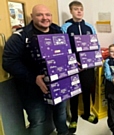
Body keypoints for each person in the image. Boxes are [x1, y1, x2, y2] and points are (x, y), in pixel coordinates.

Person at [2, 4, 70, 135]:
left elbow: (65, 53)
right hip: (31, 88)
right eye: (40, 15)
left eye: (48, 14)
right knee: (37, 119)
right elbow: (9, 62)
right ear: (32, 17)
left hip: (57, 83)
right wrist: (33, 78)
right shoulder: (20, 37)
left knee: (61, 112)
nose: (45, 18)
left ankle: (63, 132)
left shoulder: (59, 31)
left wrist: (72, 63)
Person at [61, 1, 98, 133]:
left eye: (81, 9)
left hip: (88, 67)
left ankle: (87, 114)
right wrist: (73, 62)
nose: (79, 12)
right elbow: (62, 48)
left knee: (87, 90)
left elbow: (95, 45)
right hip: (72, 67)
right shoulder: (65, 27)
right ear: (71, 11)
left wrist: (92, 61)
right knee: (74, 93)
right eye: (76, 9)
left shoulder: (90, 27)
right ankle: (74, 119)